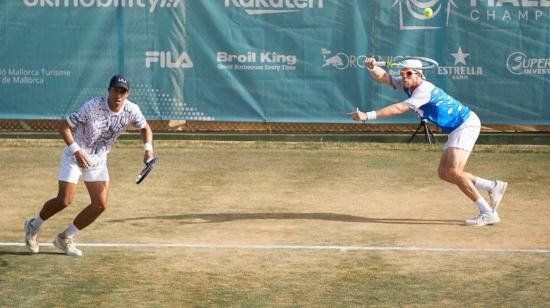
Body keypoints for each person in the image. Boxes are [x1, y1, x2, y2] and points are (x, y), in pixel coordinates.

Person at [347, 58, 507, 226]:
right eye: (402, 74)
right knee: (444, 173)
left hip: (465, 124)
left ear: (419, 74)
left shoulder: (424, 90)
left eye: (408, 73)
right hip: (455, 129)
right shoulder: (408, 84)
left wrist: (367, 116)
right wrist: (372, 69)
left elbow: (399, 108)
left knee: (453, 170)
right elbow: (386, 78)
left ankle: (488, 212)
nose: (404, 77)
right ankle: (492, 186)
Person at [24, 75, 154, 256]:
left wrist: (148, 149)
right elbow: (64, 127)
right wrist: (77, 151)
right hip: (74, 155)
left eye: (122, 92)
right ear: (108, 90)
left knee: (100, 205)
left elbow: (145, 128)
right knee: (64, 200)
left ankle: (64, 238)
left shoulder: (132, 110)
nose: (118, 95)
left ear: (127, 94)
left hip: (97, 161)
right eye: (115, 90)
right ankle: (33, 226)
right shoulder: (92, 107)